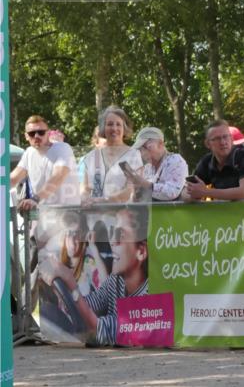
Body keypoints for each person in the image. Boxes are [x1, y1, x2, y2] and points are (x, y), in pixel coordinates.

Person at [38, 207, 149, 346]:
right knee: (48, 312)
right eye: (112, 232)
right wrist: (60, 287)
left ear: (141, 252)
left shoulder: (149, 296)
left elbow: (101, 331)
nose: (112, 241)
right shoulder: (116, 280)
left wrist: (70, 283)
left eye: (120, 234)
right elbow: (90, 304)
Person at [186, 121, 244, 201]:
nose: (223, 142)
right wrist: (192, 195)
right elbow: (188, 191)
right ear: (208, 144)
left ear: (231, 139)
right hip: (228, 213)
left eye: (225, 137)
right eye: (217, 139)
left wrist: (205, 192)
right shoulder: (206, 162)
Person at [10, 116, 80, 211]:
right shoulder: (29, 152)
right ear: (26, 136)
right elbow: (13, 179)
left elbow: (58, 176)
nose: (36, 136)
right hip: (45, 215)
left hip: (69, 215)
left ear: (48, 133)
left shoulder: (62, 148)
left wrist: (35, 198)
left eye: (41, 132)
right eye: (32, 133)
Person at [80, 106, 143, 205]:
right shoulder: (92, 157)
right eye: (110, 124)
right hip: (94, 215)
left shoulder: (133, 156)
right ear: (103, 128)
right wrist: (84, 199)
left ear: (124, 128)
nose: (114, 128)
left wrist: (104, 201)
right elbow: (85, 189)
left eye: (118, 124)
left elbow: (130, 190)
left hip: (122, 216)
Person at [125, 126, 188, 201]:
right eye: (140, 150)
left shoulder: (175, 161)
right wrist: (136, 193)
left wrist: (143, 183)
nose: (143, 153)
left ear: (161, 144)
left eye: (147, 148)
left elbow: (172, 192)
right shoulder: (147, 168)